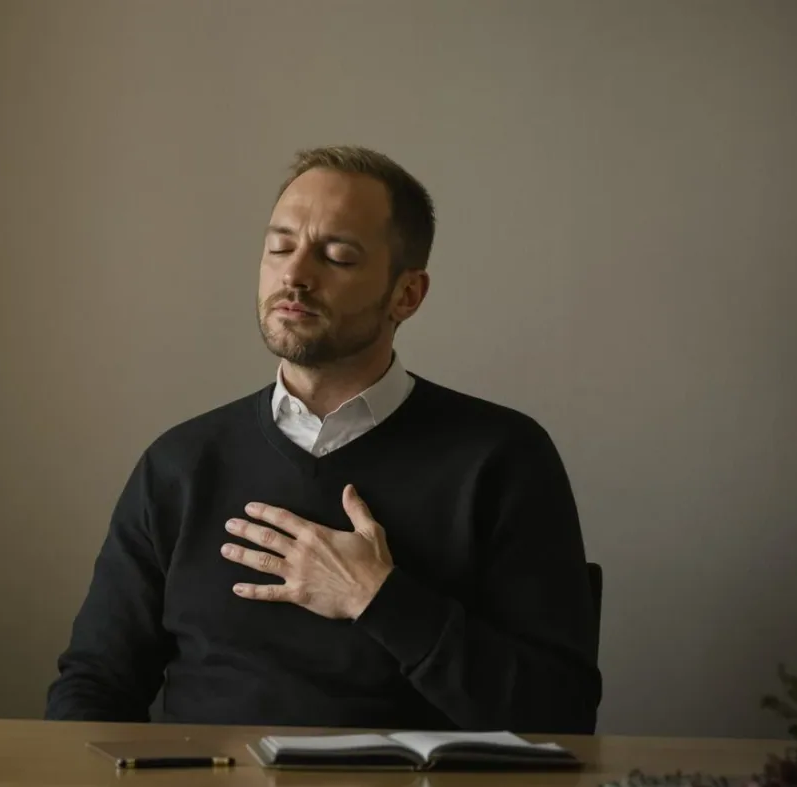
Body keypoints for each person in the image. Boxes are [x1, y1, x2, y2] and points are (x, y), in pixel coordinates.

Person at [44, 146, 601, 734]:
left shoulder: (504, 457)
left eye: (336, 256)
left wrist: (379, 598)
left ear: (406, 295)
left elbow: (559, 713)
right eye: (279, 247)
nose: (294, 275)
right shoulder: (180, 463)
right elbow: (95, 684)